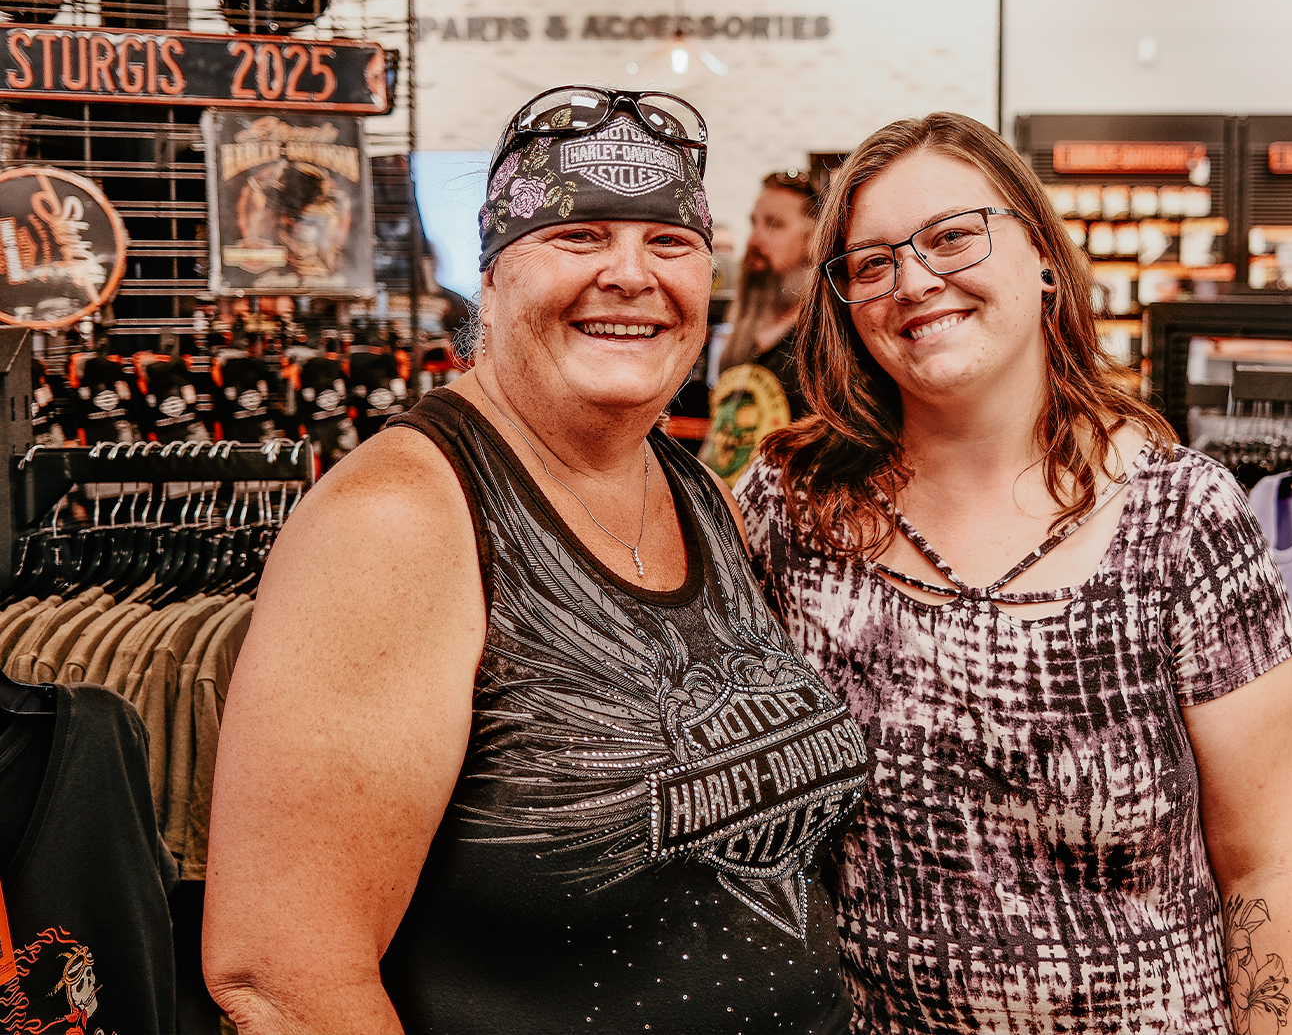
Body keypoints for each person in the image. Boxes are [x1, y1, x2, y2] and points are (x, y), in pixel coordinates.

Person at [202, 86, 868, 1034]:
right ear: (495, 275)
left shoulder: (698, 492)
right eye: (581, 236)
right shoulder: (399, 519)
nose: (631, 275)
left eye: (668, 243)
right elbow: (282, 980)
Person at [734, 112, 1292, 1034]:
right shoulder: (788, 507)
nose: (915, 281)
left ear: (1044, 254)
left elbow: (1272, 868)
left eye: (950, 236)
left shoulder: (1183, 519)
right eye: (871, 263)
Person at [703, 168, 820, 484]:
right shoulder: (744, 330)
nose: (755, 240)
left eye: (775, 225)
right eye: (754, 223)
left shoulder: (826, 339)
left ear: (813, 241)